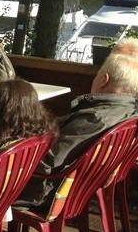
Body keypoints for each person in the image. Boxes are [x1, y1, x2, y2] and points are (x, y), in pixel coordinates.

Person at [18, 53, 138, 208]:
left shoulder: (94, 119)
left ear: (104, 79)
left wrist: (11, 154)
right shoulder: (129, 114)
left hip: (42, 192)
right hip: (78, 190)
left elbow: (48, 162)